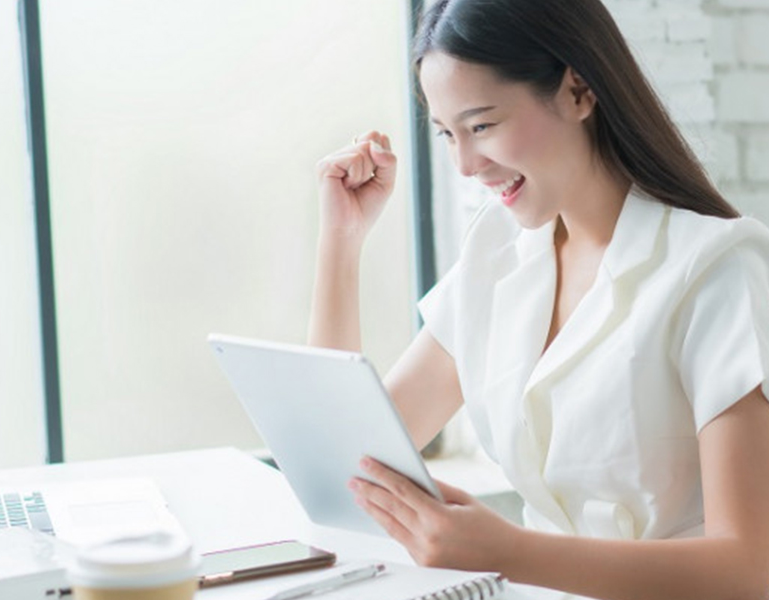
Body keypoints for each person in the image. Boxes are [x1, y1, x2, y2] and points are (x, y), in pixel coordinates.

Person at [309, 0, 769, 598]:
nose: (466, 165)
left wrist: (509, 552)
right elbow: (343, 458)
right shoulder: (499, 255)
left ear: (578, 89)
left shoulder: (716, 269)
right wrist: (341, 240)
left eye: (481, 126)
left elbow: (751, 568)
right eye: (447, 135)